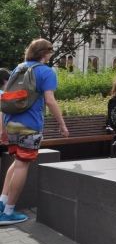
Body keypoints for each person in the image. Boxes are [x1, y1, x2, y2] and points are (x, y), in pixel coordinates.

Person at [0, 39, 68, 225]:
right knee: (22, 165)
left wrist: (3, 129)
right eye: (50, 52)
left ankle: (2, 202)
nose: (51, 55)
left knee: (17, 162)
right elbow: (50, 100)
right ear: (45, 53)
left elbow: (7, 99)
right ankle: (8, 212)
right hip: (29, 124)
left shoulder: (19, 68)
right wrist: (62, 124)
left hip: (11, 121)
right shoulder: (46, 71)